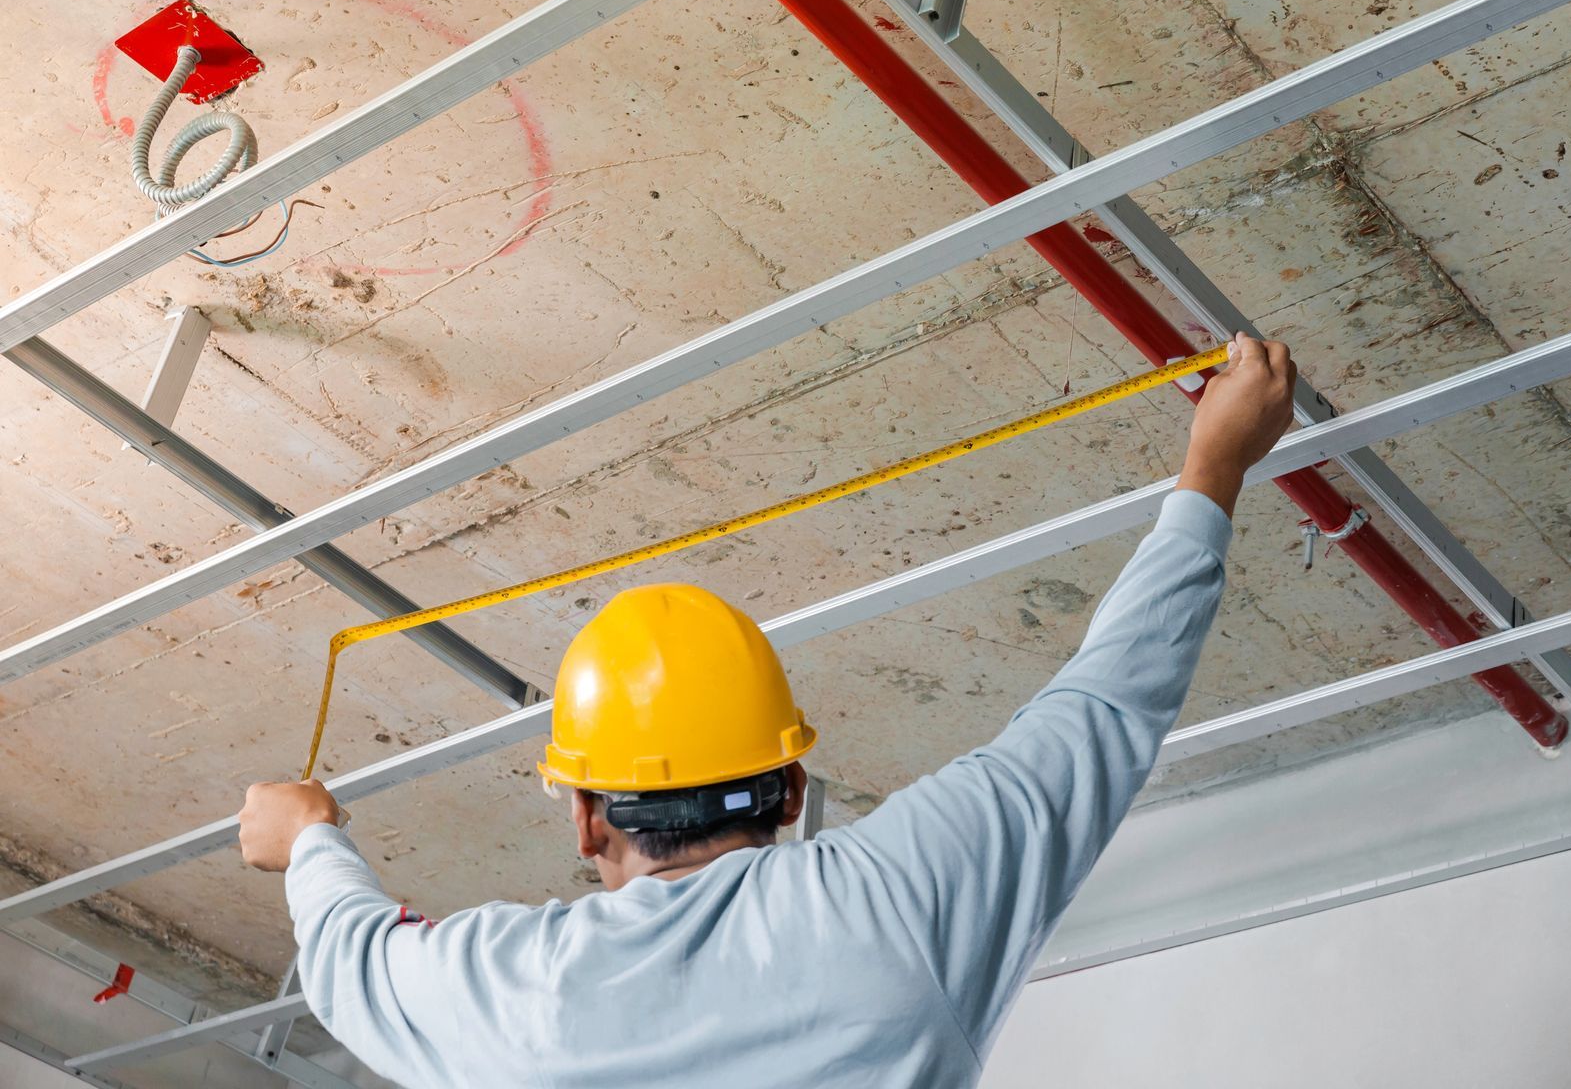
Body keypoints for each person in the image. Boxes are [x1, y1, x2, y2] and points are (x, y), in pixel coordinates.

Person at [238, 333, 1296, 1088]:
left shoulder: (517, 991)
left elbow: (353, 953)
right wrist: (1212, 467)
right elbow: (1103, 708)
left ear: (587, 816)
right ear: (792, 786)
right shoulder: (893, 900)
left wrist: (308, 836)